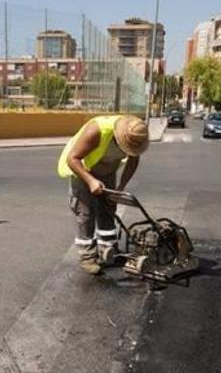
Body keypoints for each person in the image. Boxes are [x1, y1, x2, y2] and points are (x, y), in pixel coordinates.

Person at [56, 115, 150, 275]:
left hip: (107, 170)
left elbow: (133, 161)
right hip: (81, 168)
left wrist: (121, 187)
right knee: (85, 214)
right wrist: (91, 181)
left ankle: (108, 249)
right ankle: (87, 256)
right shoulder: (97, 131)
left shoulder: (135, 134)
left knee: (108, 209)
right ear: (120, 137)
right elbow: (72, 159)